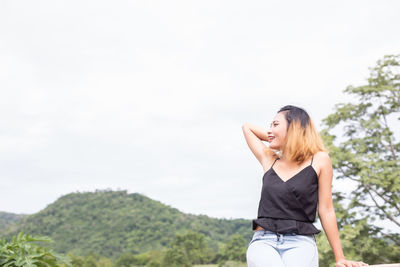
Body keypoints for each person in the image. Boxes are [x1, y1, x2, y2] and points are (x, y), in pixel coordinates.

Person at [242, 105, 369, 267]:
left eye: (275, 125)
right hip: (264, 240)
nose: (269, 130)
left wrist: (340, 258)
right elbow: (247, 127)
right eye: (269, 126)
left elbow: (327, 210)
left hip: (300, 241)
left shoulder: (320, 160)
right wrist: (278, 138)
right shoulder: (269, 159)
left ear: (294, 127)